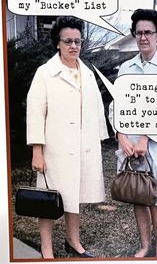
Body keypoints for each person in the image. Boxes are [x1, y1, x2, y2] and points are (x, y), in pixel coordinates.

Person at [26, 16, 108, 259]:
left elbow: (95, 111)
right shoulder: (45, 73)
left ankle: (73, 242)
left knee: (76, 195)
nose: (74, 46)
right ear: (58, 43)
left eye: (78, 41)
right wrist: (37, 151)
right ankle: (47, 248)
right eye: (68, 41)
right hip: (54, 150)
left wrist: (98, 141)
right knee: (48, 200)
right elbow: (35, 114)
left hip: (82, 148)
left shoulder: (88, 74)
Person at [110, 9, 157, 258]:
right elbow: (116, 105)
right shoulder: (126, 66)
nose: (143, 37)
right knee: (138, 194)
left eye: (148, 32)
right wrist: (121, 136)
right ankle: (143, 246)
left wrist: (146, 139)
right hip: (129, 141)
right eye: (138, 32)